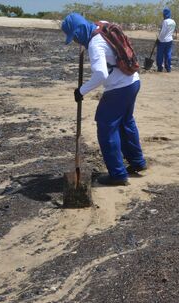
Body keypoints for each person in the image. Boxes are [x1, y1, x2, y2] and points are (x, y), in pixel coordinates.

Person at [62, 13, 147, 186]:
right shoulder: (103, 25)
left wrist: (81, 91)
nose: (77, 42)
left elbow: (101, 74)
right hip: (133, 81)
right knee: (126, 122)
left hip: (119, 88)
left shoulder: (94, 44)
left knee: (106, 126)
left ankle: (117, 175)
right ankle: (138, 162)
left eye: (75, 38)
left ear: (78, 32)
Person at [156, 7, 176, 72]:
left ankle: (160, 68)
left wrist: (158, 39)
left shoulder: (165, 21)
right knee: (168, 54)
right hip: (170, 40)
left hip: (163, 40)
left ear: (164, 14)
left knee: (160, 54)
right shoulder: (173, 22)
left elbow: (163, 32)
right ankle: (168, 68)